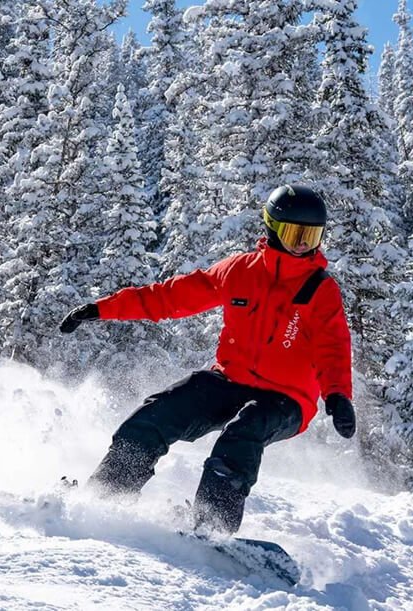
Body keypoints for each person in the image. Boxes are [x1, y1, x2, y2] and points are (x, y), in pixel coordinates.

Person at [60, 185, 355, 535]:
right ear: (272, 228)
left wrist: (337, 395)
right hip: (230, 381)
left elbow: (333, 345)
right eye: (295, 234)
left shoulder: (320, 289)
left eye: (312, 235)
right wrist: (102, 309)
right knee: (156, 415)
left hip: (286, 400)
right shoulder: (240, 272)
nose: (304, 244)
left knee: (243, 433)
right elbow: (170, 297)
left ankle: (213, 526)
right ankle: (106, 493)